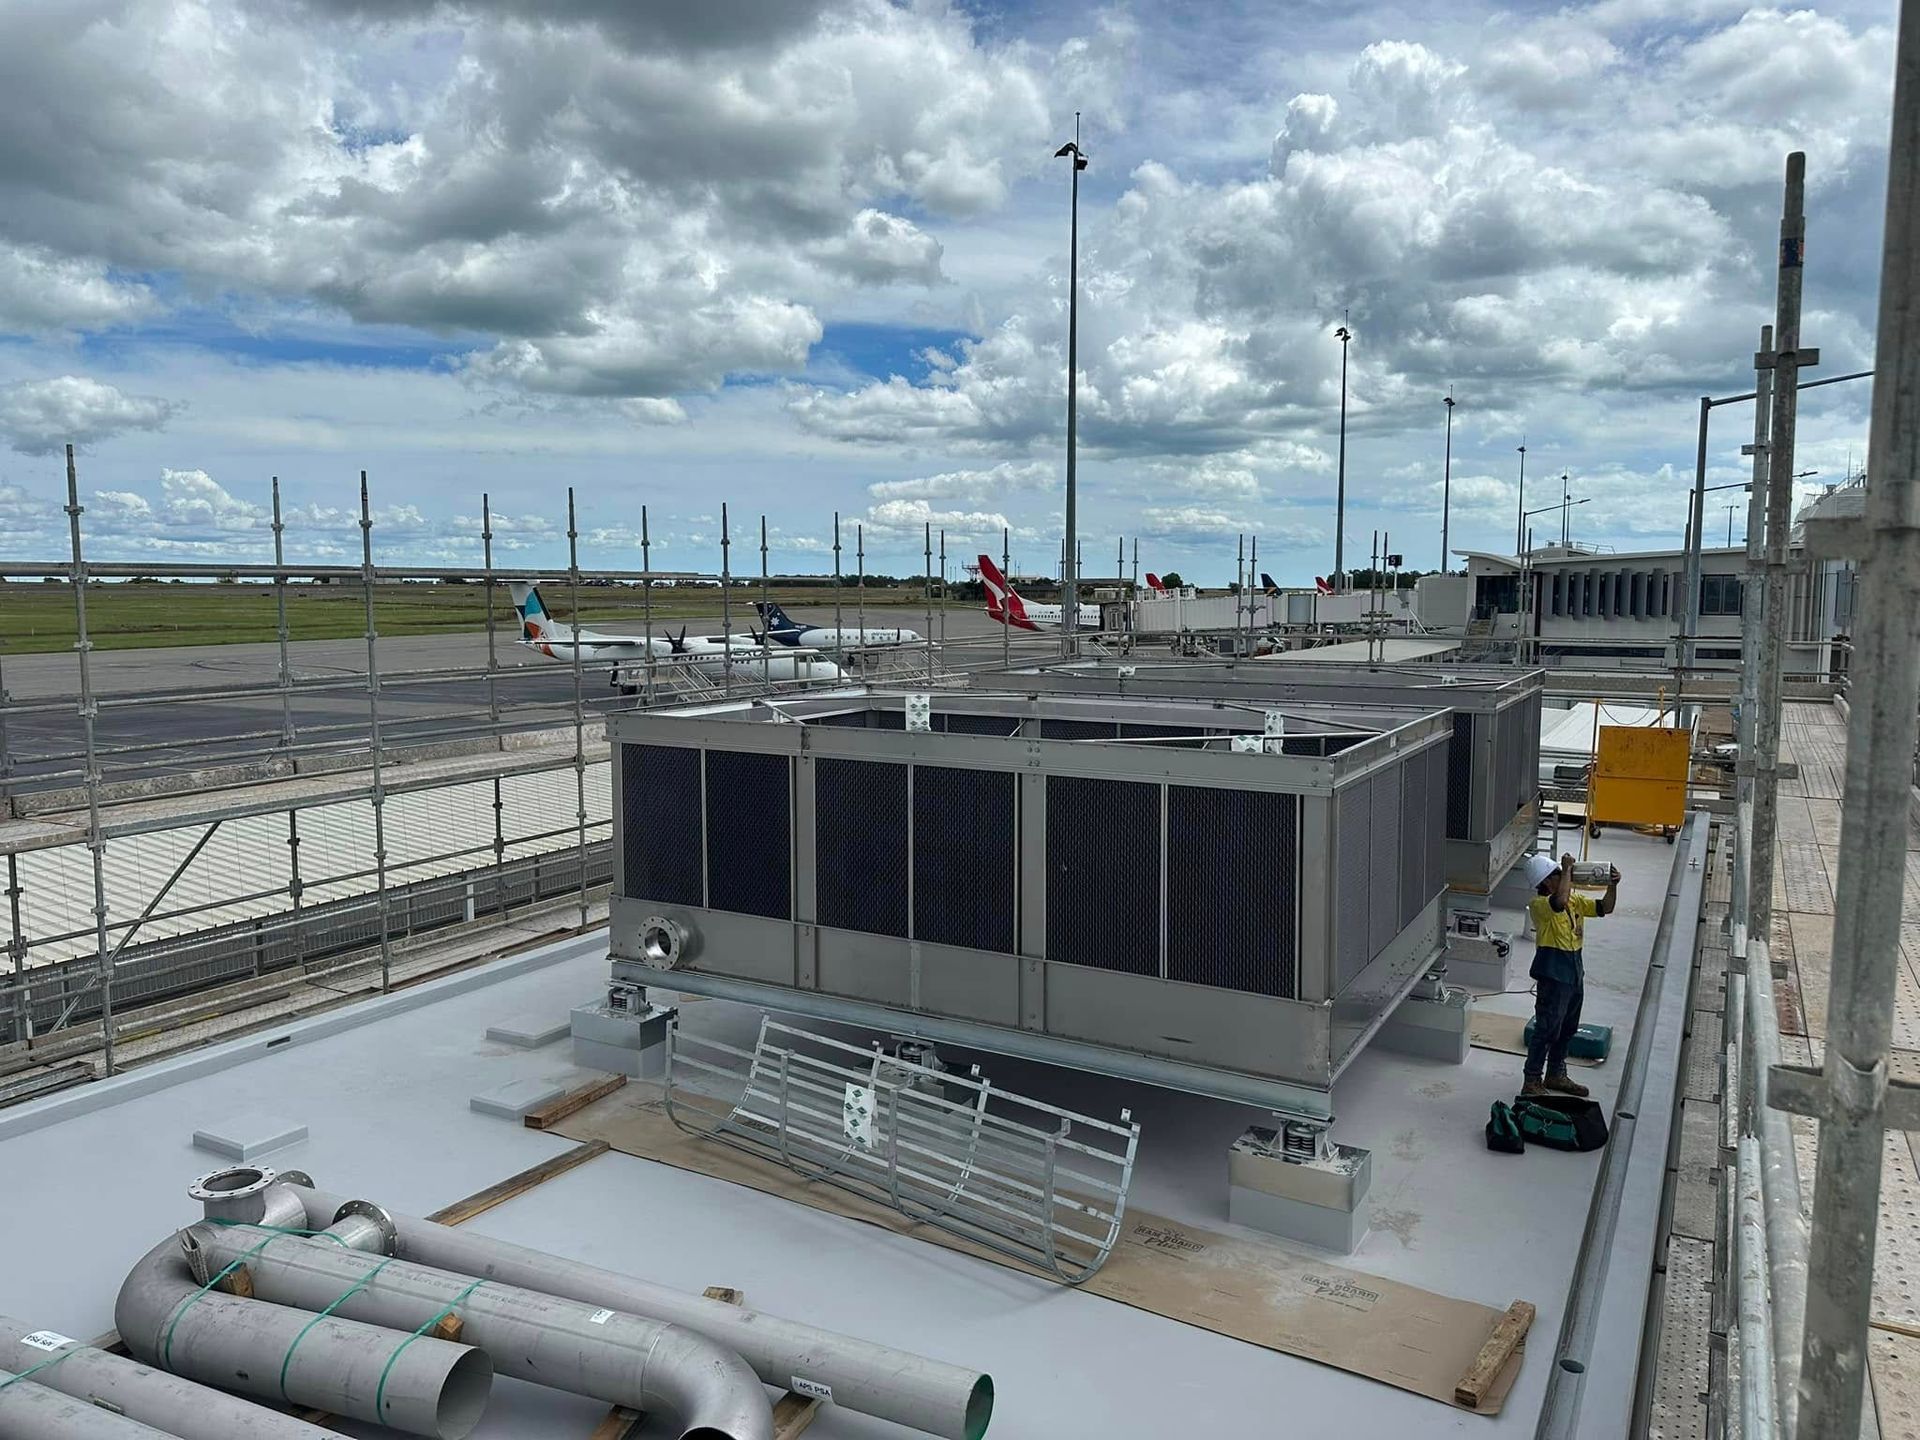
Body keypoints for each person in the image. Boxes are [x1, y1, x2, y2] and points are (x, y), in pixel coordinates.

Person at [1521, 852, 1619, 1098]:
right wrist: (1566, 869)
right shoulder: (1540, 905)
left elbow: (1605, 908)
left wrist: (1612, 885)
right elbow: (1559, 902)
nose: (1564, 876)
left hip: (1574, 972)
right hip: (1553, 974)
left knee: (1567, 1028)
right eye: (1557, 874)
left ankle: (1556, 1074)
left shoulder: (1574, 901)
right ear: (1546, 882)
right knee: (1546, 1029)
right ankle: (1532, 1080)